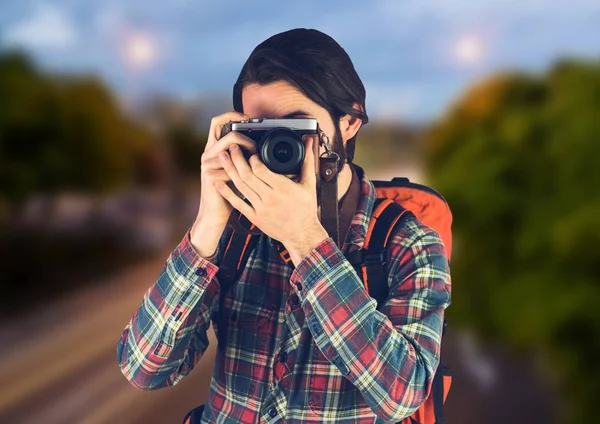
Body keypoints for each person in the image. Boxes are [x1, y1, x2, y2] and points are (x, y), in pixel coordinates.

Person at [117, 28, 451, 423]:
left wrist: (306, 242)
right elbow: (144, 368)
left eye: (296, 128)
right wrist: (208, 223)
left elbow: (401, 395)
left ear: (350, 121)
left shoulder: (408, 244)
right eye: (261, 130)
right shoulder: (234, 233)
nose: (278, 146)